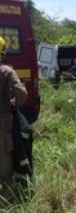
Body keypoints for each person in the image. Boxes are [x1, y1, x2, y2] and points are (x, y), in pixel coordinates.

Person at [0, 37, 27, 187]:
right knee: (4, 156)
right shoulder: (6, 71)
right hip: (3, 120)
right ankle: (6, 193)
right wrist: (13, 104)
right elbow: (21, 94)